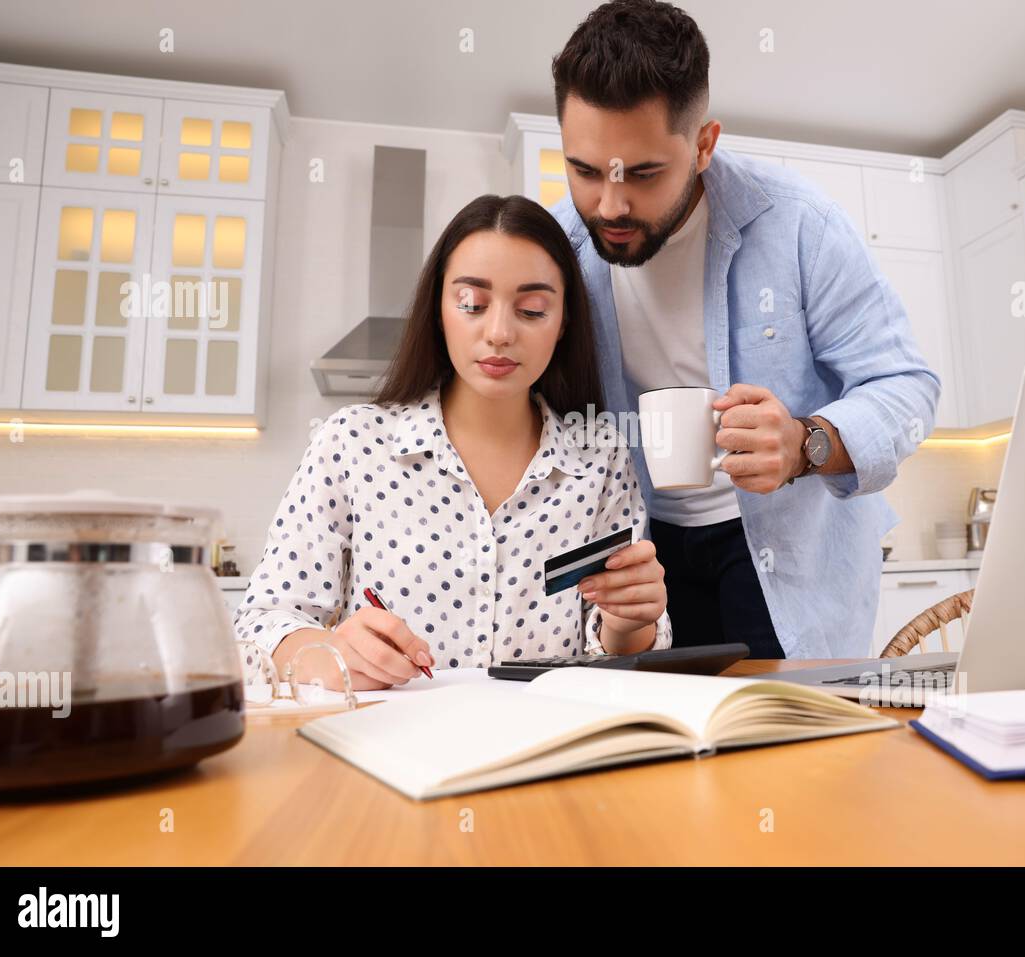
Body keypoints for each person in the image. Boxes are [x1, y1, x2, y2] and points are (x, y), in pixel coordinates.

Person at [548, 0, 941, 659]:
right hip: (644, 551)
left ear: (703, 145)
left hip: (786, 550)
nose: (610, 206)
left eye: (643, 174)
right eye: (586, 171)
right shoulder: (558, 246)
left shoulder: (799, 225)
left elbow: (907, 389)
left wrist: (804, 443)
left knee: (794, 750)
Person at [234, 195, 671, 690]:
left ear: (564, 322)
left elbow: (621, 656)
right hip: (394, 752)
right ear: (439, 311)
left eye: (532, 309)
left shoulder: (602, 457)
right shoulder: (351, 443)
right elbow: (257, 630)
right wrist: (331, 653)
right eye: (471, 304)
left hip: (548, 751)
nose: (500, 332)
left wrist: (629, 619)